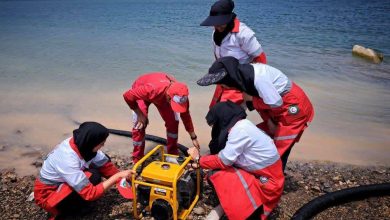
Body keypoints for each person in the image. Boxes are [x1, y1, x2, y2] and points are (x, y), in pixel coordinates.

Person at [197, 56, 315, 170]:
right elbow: (261, 103)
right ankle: (264, 172)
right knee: (257, 138)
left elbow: (276, 102)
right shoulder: (243, 77)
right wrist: (268, 121)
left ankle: (275, 181)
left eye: (222, 84)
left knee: (280, 147)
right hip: (275, 110)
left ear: (229, 79)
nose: (222, 86)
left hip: (293, 108)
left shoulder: (258, 78)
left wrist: (252, 100)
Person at [187, 101, 284, 220]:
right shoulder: (244, 125)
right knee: (216, 165)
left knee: (216, 172)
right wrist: (202, 161)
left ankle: (246, 208)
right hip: (268, 179)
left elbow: (223, 161)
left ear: (222, 120)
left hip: (267, 189)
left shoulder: (239, 131)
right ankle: (232, 204)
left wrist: (198, 159)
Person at [34, 122, 135, 219]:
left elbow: (105, 165)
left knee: (99, 166)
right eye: (101, 143)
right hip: (48, 195)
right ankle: (69, 210)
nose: (103, 146)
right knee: (94, 175)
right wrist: (116, 178)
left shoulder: (82, 143)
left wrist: (125, 179)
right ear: (91, 142)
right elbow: (90, 193)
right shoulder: (67, 159)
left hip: (61, 183)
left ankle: (76, 203)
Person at [200, 0, 267, 108]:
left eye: (220, 23)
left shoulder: (243, 34)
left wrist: (251, 88)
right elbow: (218, 58)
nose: (217, 27)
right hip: (223, 80)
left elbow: (261, 59)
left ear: (229, 18)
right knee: (213, 111)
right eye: (215, 23)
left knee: (227, 117)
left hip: (240, 83)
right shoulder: (215, 33)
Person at [123, 72, 200, 163]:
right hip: (142, 93)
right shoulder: (151, 89)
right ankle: (138, 158)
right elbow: (127, 96)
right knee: (139, 125)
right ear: (168, 97)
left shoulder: (181, 95)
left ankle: (171, 155)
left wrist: (193, 137)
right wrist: (140, 114)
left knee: (173, 122)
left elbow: (186, 116)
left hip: (161, 97)